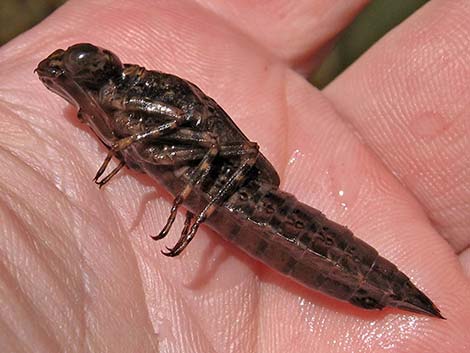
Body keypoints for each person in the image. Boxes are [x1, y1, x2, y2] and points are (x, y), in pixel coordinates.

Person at [1, 1, 469, 352]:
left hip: (237, 185)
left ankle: (380, 285)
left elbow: (189, 126)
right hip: (214, 187)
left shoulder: (139, 91)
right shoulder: (111, 108)